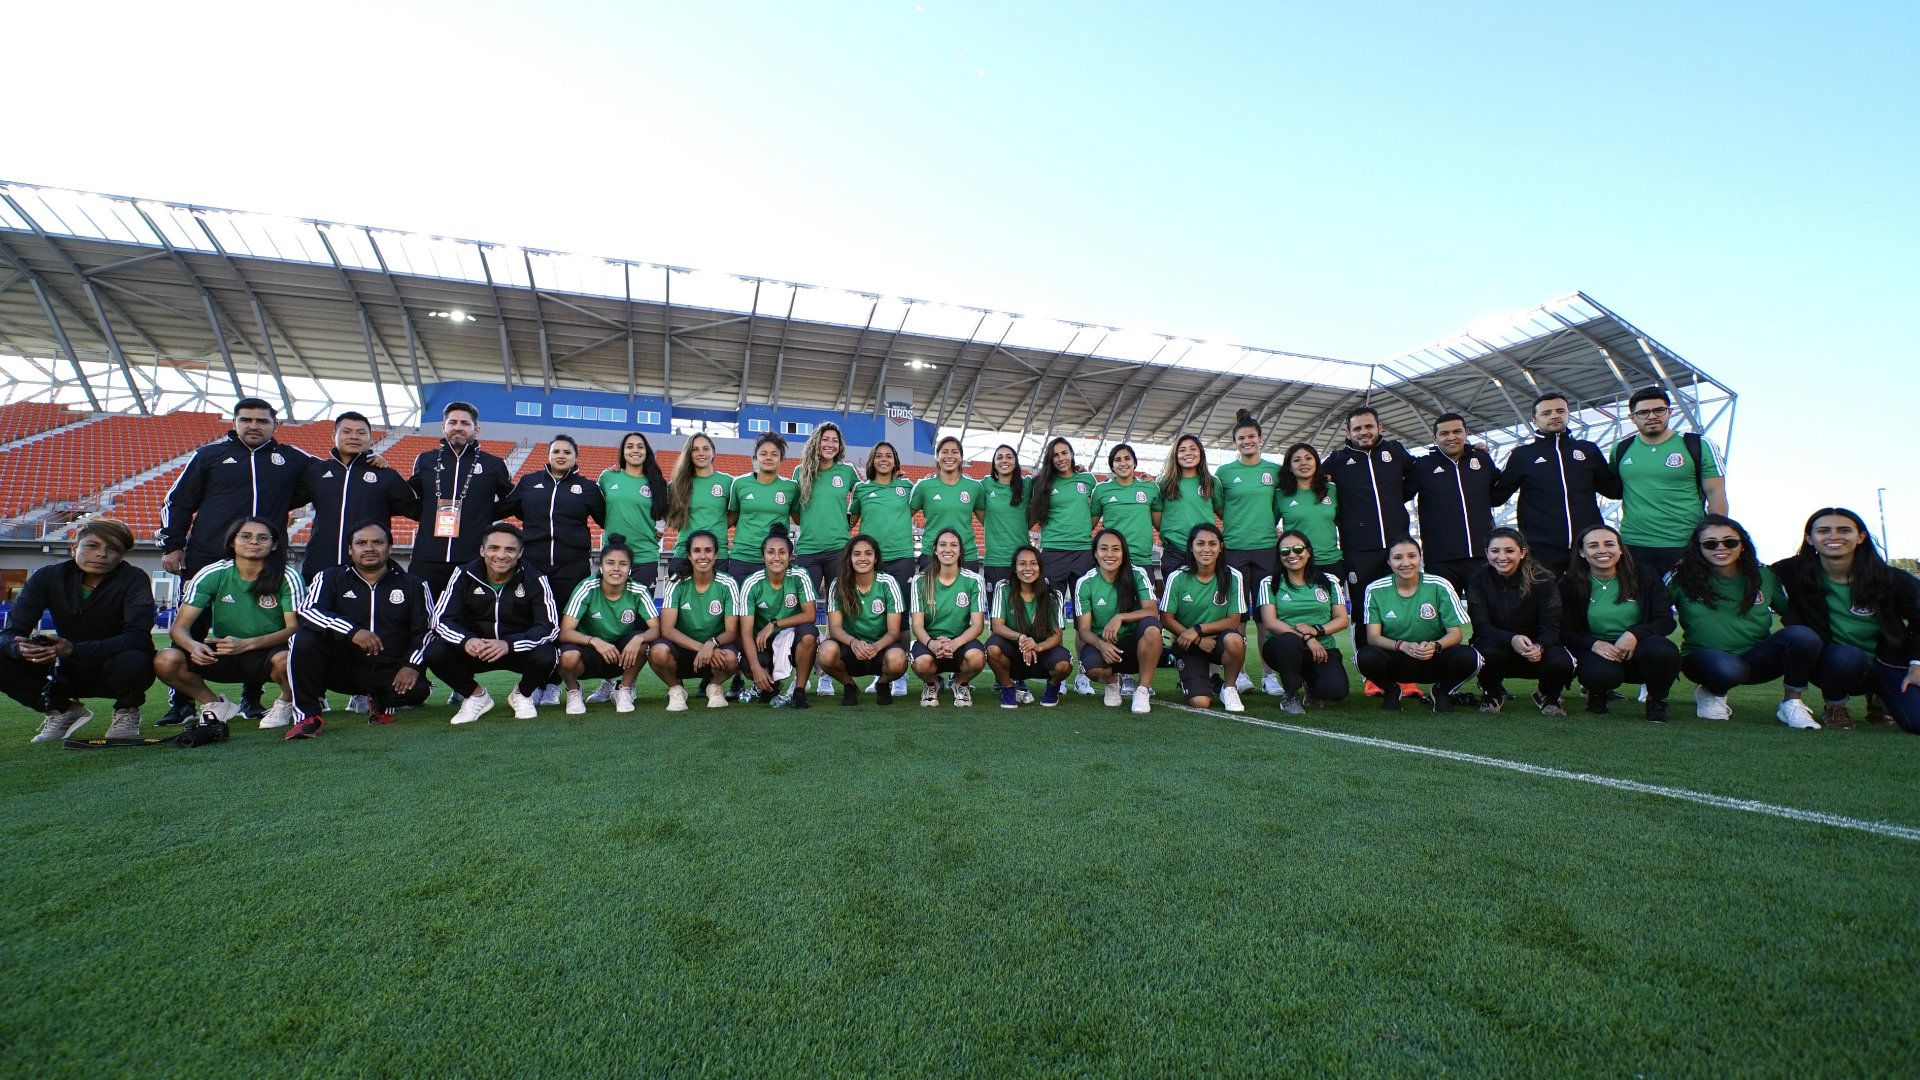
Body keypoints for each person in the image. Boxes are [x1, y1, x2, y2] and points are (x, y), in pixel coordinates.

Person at [159, 397, 310, 723]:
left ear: (275, 424)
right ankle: (183, 702)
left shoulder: (292, 459)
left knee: (262, 622)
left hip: (264, 555)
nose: (254, 426)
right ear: (235, 422)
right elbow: (178, 501)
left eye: (262, 420)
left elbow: (331, 476)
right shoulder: (209, 456)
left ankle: (252, 698)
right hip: (206, 553)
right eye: (246, 420)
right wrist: (172, 545)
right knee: (194, 624)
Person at [1, 519, 154, 743]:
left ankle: (127, 709)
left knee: (135, 658)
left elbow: (138, 636)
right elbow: (11, 631)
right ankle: (62, 710)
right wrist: (20, 648)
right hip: (63, 666)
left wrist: (74, 649)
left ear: (122, 556)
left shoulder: (134, 578)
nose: (102, 554)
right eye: (92, 546)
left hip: (115, 663)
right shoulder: (46, 577)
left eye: (113, 549)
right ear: (74, 548)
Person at [1770, 507, 1920, 732]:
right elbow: (1748, 571)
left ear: (1861, 537)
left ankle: (1879, 696)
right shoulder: (1794, 571)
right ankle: (1835, 705)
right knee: (1845, 656)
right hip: (1833, 662)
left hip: (1887, 661)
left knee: (1916, 723)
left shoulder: (1892, 579)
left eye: (1844, 530)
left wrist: (1917, 665)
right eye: (1823, 531)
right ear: (1810, 538)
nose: (1833, 536)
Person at [283, 520, 436, 738]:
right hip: (341, 667)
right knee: (303, 639)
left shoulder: (414, 584)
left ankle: (381, 703)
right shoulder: (330, 577)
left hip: (388, 668)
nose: (370, 548)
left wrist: (412, 664)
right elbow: (308, 611)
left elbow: (425, 631)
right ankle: (308, 717)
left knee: (418, 690)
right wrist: (352, 631)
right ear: (350, 549)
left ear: (389, 547)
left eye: (378, 542)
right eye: (361, 543)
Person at [154, 517, 303, 732]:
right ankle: (215, 704)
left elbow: (295, 629)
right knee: (166, 660)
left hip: (269, 651)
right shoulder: (212, 573)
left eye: (263, 538)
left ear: (274, 545)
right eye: (245, 536)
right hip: (225, 649)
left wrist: (247, 644)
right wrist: (193, 646)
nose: (254, 541)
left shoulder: (288, 576)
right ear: (232, 542)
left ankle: (286, 702)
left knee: (288, 659)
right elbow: (179, 628)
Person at [1668, 515, 1819, 728]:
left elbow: (1789, 613)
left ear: (1743, 544)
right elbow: (1655, 612)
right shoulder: (1680, 576)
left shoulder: (1764, 574)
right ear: (1698, 548)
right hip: (1703, 660)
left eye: (1730, 542)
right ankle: (1711, 691)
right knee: (1727, 668)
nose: (1721, 548)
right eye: (1710, 544)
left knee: (1803, 635)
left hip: (1756, 659)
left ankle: (1792, 703)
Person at [423, 524, 560, 725]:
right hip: (475, 650)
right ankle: (475, 695)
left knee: (547, 654)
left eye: (510, 549)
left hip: (515, 650)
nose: (501, 555)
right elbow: (440, 619)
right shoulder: (463, 574)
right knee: (435, 652)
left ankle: (522, 694)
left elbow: (549, 626)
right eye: (494, 548)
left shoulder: (535, 578)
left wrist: (509, 644)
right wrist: (467, 640)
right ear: (482, 550)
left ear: (520, 553)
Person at [510, 435, 606, 705]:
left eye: (567, 452)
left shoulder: (587, 488)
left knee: (565, 625)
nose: (561, 456)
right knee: (537, 622)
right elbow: (513, 509)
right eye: (556, 451)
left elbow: (606, 518)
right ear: (549, 455)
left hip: (571, 567)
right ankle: (535, 681)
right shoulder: (529, 482)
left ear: (576, 457)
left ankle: (554, 684)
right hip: (534, 566)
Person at [1559, 524, 1679, 722]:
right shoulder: (1569, 584)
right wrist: (1593, 644)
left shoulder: (1643, 575)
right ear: (1581, 552)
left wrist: (1634, 634)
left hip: (1638, 646)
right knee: (1601, 674)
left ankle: (1657, 700)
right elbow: (1563, 630)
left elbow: (1665, 620)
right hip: (1595, 648)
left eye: (1609, 544)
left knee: (1663, 652)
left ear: (1620, 548)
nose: (1602, 550)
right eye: (1593, 546)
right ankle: (1597, 693)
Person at [1493, 392, 1621, 576]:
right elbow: (1497, 496)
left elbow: (1613, 490)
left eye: (1560, 411)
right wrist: (1479, 459)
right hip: (1541, 549)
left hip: (1587, 545)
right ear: (1534, 420)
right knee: (1546, 594)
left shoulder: (1587, 449)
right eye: (1546, 413)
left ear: (1568, 414)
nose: (1554, 416)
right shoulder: (1522, 455)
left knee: (1589, 593)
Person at [1610, 387, 1728, 580]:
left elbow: (1716, 494)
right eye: (1643, 412)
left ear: (1670, 412)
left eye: (1659, 410)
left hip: (1686, 543)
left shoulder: (1699, 445)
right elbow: (1613, 487)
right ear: (1632, 418)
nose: (1652, 416)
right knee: (1642, 599)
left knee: (1693, 598)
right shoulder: (1620, 449)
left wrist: (1714, 541)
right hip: (1634, 544)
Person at [406, 401, 518, 601]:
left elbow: (511, 500)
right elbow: (409, 498)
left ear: (476, 429)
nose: (458, 427)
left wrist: (484, 514)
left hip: (472, 558)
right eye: (453, 422)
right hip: (427, 556)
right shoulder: (425, 460)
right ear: (444, 426)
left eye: (465, 423)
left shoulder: (494, 464)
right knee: (423, 610)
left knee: (469, 612)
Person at [1323, 406, 1416, 647]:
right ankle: (1367, 664)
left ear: (1379, 427)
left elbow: (1420, 474)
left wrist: (1474, 451)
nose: (1363, 432)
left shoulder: (1395, 451)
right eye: (1357, 428)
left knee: (1402, 606)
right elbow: (1309, 481)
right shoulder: (1337, 461)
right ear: (1348, 432)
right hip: (1359, 550)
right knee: (1363, 608)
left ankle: (1404, 661)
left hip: (1398, 547)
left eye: (1368, 426)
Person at [1354, 537, 1478, 712]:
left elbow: (1456, 635)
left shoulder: (1440, 585)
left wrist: (1435, 646)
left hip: (1433, 656)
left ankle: (1441, 692)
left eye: (1412, 556)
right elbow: (1373, 638)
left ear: (1421, 558)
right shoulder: (1375, 589)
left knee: (1471, 657)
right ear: (1389, 562)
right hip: (1397, 657)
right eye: (1398, 558)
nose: (1406, 563)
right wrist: (1402, 645)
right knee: (1364, 657)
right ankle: (1391, 690)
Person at [1466, 527, 1575, 716]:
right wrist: (1512, 639)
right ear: (1487, 553)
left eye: (1509, 550)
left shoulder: (1543, 580)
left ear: (1522, 552)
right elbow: (1481, 626)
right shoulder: (1478, 579)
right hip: (1497, 644)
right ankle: (1492, 692)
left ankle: (1548, 695)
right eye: (1495, 551)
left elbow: (1551, 625)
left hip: (1535, 647)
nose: (1502, 557)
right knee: (1486, 651)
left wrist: (1540, 646)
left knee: (1561, 661)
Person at [1213, 411, 1283, 696]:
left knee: (1266, 616)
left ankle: (1269, 675)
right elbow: (1219, 507)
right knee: (1238, 616)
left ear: (1260, 438)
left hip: (1267, 549)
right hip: (1235, 549)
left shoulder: (1275, 471)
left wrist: (1264, 525)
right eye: (1241, 438)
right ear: (1235, 442)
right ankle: (1239, 673)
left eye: (1251, 436)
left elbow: (1278, 507)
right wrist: (1237, 525)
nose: (1247, 441)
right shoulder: (1225, 473)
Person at [298, 410, 415, 581]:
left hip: (368, 572)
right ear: (334, 435)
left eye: (361, 433)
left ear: (370, 438)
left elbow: (416, 509)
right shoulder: (316, 471)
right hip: (319, 566)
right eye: (347, 431)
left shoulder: (386, 475)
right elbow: (284, 500)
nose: (354, 437)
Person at [555, 532, 658, 715]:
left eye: (623, 564)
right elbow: (565, 632)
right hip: (589, 652)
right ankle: (574, 690)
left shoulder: (638, 590)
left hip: (620, 654)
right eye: (610, 563)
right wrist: (595, 641)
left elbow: (656, 628)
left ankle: (623, 689)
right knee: (567, 656)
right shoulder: (587, 588)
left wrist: (638, 639)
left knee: (641, 641)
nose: (616, 569)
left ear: (630, 568)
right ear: (601, 566)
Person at [1029, 436, 1099, 694]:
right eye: (1055, 455)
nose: (1061, 458)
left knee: (1084, 616)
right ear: (1050, 458)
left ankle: (1083, 674)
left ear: (1071, 454)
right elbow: (1031, 517)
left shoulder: (1088, 480)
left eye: (1064, 453)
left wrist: (1080, 532)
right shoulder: (1042, 484)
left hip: (1082, 552)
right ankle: (1054, 671)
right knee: (1052, 615)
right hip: (1053, 553)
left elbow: (1095, 513)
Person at [1255, 530, 1351, 715]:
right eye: (1285, 551)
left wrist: (1317, 630)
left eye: (1298, 549)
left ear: (1308, 552)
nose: (1292, 555)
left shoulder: (1328, 581)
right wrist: (1308, 638)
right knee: (1289, 641)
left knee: (1336, 691)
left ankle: (1311, 685)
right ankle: (1290, 694)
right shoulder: (1269, 583)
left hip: (1322, 649)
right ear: (1279, 556)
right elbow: (1270, 622)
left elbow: (1342, 620)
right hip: (1283, 648)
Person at [847, 441, 915, 699]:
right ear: (872, 461)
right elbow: (850, 521)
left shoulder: (907, 487)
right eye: (879, 456)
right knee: (876, 614)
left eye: (889, 456)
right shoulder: (861, 489)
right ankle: (880, 669)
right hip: (872, 561)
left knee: (902, 615)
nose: (884, 459)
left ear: (895, 460)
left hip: (902, 557)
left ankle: (901, 672)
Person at [648, 529, 742, 711]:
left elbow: (731, 631)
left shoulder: (728, 583)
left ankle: (714, 687)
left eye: (708, 550)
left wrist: (711, 644)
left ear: (716, 555)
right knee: (658, 652)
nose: (703, 556)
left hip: (715, 651)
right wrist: (702, 648)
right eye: (697, 550)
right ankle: (676, 689)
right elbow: (667, 629)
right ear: (689, 555)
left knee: (731, 658)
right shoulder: (676, 582)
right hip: (683, 650)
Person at [1158, 523, 1247, 712]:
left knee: (1235, 640)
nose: (1206, 549)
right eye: (1200, 544)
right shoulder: (1177, 577)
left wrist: (1197, 630)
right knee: (1201, 703)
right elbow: (1166, 618)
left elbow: (1233, 620)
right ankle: (1191, 683)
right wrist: (1197, 639)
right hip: (1188, 643)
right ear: (1191, 547)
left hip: (1217, 640)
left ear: (1221, 547)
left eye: (1212, 544)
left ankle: (1229, 688)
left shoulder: (1233, 576)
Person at [1074, 529, 1162, 715]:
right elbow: (1083, 630)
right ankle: (1112, 682)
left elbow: (1152, 611)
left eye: (1116, 549)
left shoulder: (1138, 574)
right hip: (1105, 647)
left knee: (1152, 628)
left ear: (1124, 552)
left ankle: (1142, 690)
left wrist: (1120, 617)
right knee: (1092, 668)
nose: (1110, 554)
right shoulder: (1085, 582)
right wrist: (1101, 645)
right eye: (1103, 549)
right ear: (1095, 553)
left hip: (1134, 644)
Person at [1410, 413, 1498, 596]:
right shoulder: (1422, 466)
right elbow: (1397, 495)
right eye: (1444, 433)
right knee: (1445, 612)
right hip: (1441, 559)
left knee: (1487, 608)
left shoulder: (1482, 460)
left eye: (1457, 431)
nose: (1451, 437)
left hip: (1482, 555)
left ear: (1466, 433)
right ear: (1434, 438)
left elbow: (1499, 493)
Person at [818, 534, 908, 706]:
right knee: (826, 651)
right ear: (849, 558)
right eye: (857, 554)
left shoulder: (888, 583)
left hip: (880, 648)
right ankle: (849, 685)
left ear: (875, 558)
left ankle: (882, 684)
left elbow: (893, 632)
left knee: (898, 659)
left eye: (868, 553)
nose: (863, 558)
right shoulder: (838, 584)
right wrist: (854, 643)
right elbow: (835, 628)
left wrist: (876, 647)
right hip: (850, 648)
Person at [735, 524, 818, 708]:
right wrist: (756, 668)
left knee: (809, 633)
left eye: (782, 552)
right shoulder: (752, 583)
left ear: (790, 555)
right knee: (749, 666)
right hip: (763, 644)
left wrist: (774, 623)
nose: (776, 558)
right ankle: (771, 684)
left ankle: (799, 691)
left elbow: (810, 614)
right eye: (771, 552)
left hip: (791, 640)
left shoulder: (799, 575)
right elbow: (745, 632)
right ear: (763, 556)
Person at [908, 528, 989, 707]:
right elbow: (917, 625)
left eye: (954, 545)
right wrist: (932, 643)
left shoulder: (974, 580)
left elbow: (977, 625)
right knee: (921, 663)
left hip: (961, 642)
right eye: (942, 545)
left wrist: (954, 643)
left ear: (960, 551)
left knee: (977, 658)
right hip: (931, 642)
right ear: (935, 550)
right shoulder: (920, 580)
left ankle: (960, 683)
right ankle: (932, 684)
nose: (948, 549)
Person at [985, 545, 1073, 708]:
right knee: (992, 648)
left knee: (1063, 664)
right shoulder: (1003, 587)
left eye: (1033, 563)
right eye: (1022, 563)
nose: (1028, 568)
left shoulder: (1053, 594)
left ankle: (1052, 689)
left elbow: (1057, 635)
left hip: (1041, 654)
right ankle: (1008, 689)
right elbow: (997, 626)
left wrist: (1038, 647)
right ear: (1015, 567)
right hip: (1014, 653)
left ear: (1040, 567)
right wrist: (1021, 638)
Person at [790, 422, 858, 605]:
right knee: (804, 604)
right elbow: (794, 511)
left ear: (840, 446)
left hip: (838, 548)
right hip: (808, 549)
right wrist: (809, 522)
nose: (830, 444)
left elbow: (863, 496)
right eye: (825, 439)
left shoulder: (847, 471)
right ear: (816, 442)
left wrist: (848, 522)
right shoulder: (800, 471)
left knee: (838, 603)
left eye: (835, 441)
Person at [599, 430, 670, 592]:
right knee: (611, 605)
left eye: (640, 446)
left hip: (645, 556)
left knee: (641, 606)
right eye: (629, 446)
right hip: (613, 556)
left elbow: (663, 511)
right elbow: (596, 506)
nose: (635, 450)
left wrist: (660, 525)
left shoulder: (657, 482)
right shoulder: (607, 477)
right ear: (623, 452)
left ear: (646, 451)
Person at [726, 432, 800, 583]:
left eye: (774, 454)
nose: (768, 458)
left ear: (781, 458)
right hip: (742, 558)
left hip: (775, 560)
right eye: (763, 453)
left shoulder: (791, 487)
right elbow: (732, 518)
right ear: (756, 457)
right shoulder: (739, 483)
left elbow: (798, 519)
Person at [911, 435, 985, 575]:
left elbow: (988, 521)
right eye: (944, 452)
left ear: (961, 457)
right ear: (937, 457)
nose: (950, 456)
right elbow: (903, 516)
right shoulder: (923, 486)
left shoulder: (975, 487)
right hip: (932, 554)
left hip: (966, 555)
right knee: (930, 590)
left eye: (955, 452)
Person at [664, 432, 733, 578]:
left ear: (713, 452)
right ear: (689, 454)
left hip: (717, 554)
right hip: (684, 552)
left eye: (705, 448)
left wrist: (717, 525)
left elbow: (736, 512)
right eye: (695, 449)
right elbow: (668, 515)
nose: (701, 453)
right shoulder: (677, 484)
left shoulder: (728, 482)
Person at [1275, 443, 1345, 588]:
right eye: (1297, 460)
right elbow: (1269, 526)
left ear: (1316, 463)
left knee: (1333, 603)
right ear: (1289, 467)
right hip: (1297, 564)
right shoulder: (1280, 495)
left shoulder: (1332, 489)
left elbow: (1344, 523)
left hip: (1331, 562)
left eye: (1308, 458)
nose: (1303, 463)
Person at [1091, 444, 1162, 585]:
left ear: (1134, 463)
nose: (1123, 463)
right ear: (1112, 466)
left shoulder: (1150, 488)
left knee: (1144, 599)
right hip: (1113, 560)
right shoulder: (1101, 489)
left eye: (1127, 458)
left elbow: (1160, 525)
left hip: (1142, 560)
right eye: (1117, 460)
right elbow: (1088, 525)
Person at [1155, 433, 1222, 578]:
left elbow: (1224, 514)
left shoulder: (1212, 482)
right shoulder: (1163, 482)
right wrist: (1172, 532)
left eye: (1193, 449)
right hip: (1174, 550)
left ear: (1201, 453)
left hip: (1204, 549)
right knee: (1174, 591)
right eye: (1182, 450)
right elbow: (1157, 517)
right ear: (1175, 455)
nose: (1188, 453)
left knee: (1204, 590)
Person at [977, 444, 1030, 589]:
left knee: (1022, 603)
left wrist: (1078, 470)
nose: (1004, 460)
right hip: (995, 560)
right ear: (994, 463)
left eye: (1009, 457)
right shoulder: (985, 484)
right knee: (996, 602)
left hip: (1022, 560)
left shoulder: (1027, 484)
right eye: (999, 457)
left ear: (1015, 462)